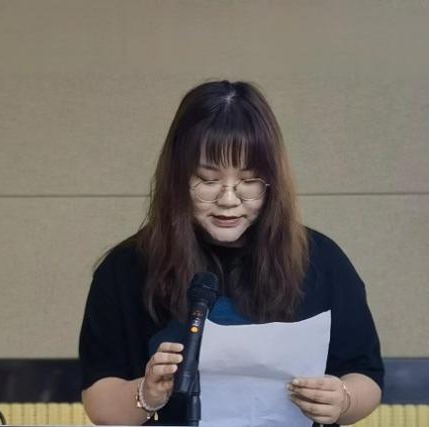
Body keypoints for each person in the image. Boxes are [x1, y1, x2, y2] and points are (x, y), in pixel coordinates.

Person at [79, 80, 384, 426]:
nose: (228, 199)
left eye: (249, 181)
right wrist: (146, 394)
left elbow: (366, 376)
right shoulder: (127, 267)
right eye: (208, 180)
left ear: (272, 182)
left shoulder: (319, 260)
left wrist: (342, 399)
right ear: (177, 178)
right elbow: (99, 400)